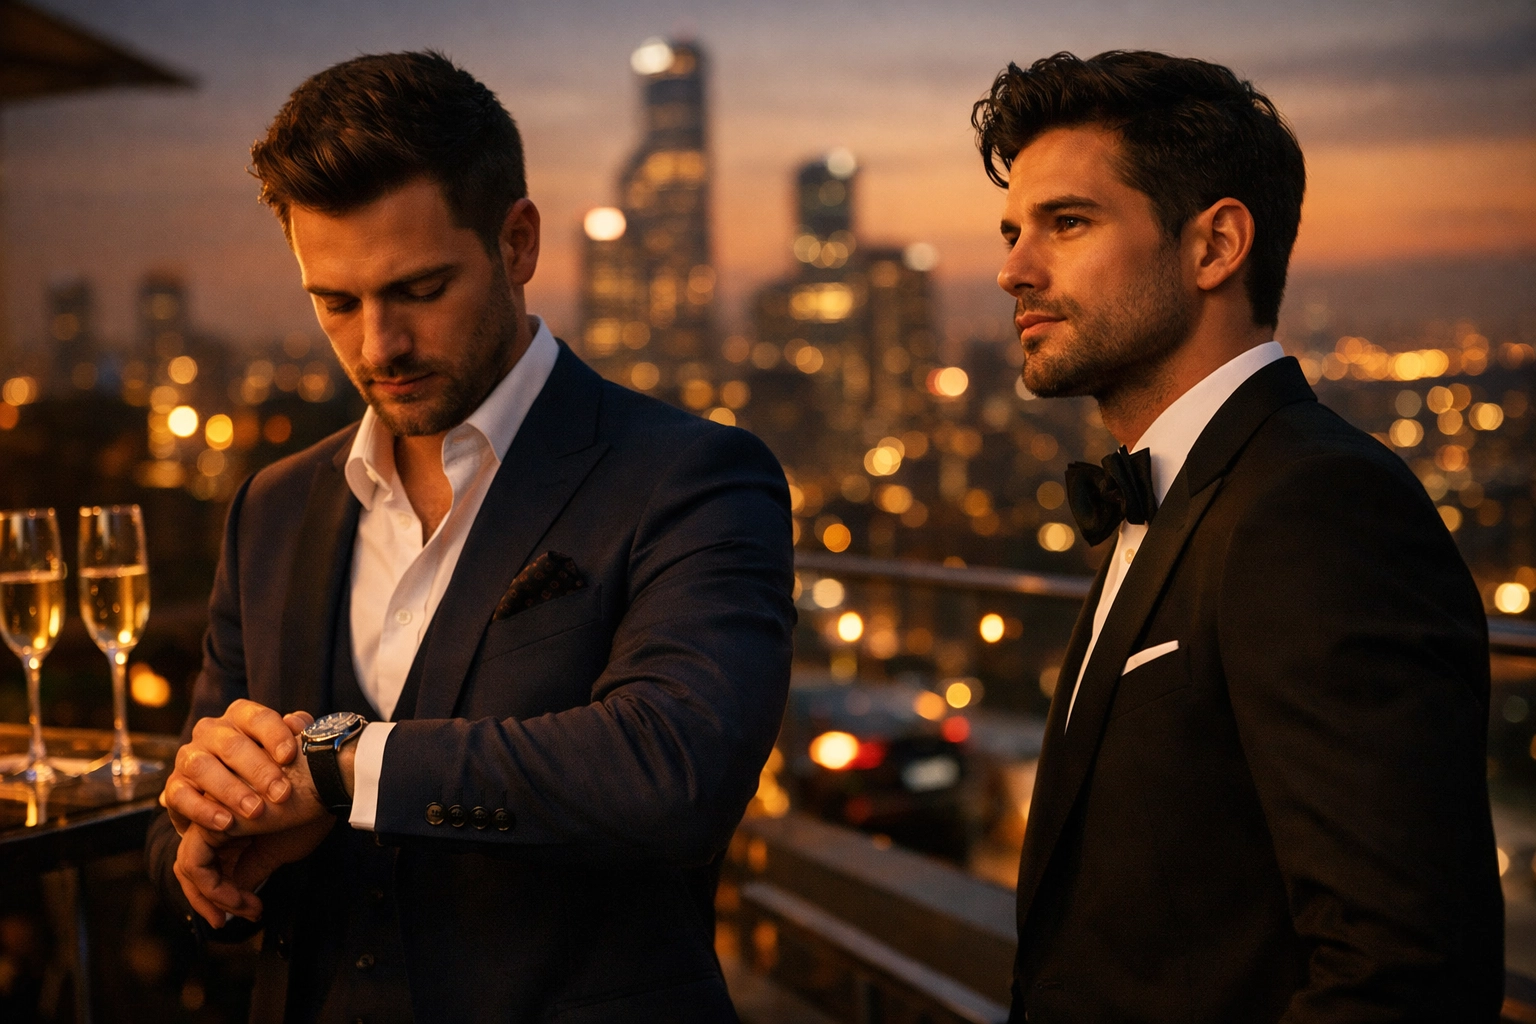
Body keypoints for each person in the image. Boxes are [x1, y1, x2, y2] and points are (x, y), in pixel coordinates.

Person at [145, 50, 794, 1024]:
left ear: (518, 241)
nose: (378, 346)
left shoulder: (691, 473)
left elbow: (673, 772)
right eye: (336, 302)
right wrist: (203, 851)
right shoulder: (272, 507)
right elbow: (185, 825)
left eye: (418, 288)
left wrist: (337, 764)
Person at [972, 51, 1502, 1021]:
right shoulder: (1181, 498)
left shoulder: (1317, 505)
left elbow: (1404, 969)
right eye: (1013, 232)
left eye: (1068, 222)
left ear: (1215, 246)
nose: (1013, 269)